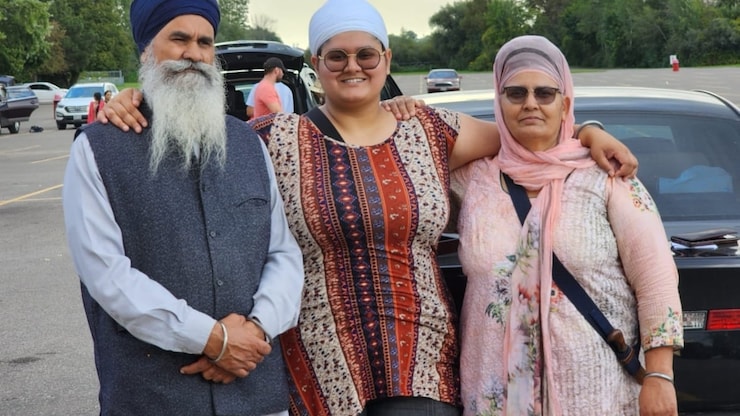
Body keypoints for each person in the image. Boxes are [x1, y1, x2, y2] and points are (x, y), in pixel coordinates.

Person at [99, 1, 638, 414]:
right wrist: (134, 98)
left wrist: (589, 130)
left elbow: (529, 133)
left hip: (422, 356)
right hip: (313, 359)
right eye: (336, 55)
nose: (352, 66)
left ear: (386, 60)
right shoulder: (270, 138)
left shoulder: (431, 130)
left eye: (366, 54)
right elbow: (186, 132)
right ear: (316, 64)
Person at [62, 1, 304, 415]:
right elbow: (106, 273)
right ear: (146, 50)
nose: (193, 53)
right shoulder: (98, 149)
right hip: (151, 398)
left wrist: (256, 329)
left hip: (256, 395)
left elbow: (282, 254)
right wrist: (212, 339)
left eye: (205, 42)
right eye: (179, 39)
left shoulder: (247, 144)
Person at [452, 35, 683, 415]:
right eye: (515, 93)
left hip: (595, 392)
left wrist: (660, 375)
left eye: (545, 93)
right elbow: (406, 154)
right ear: (499, 100)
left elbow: (655, 277)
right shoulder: (472, 180)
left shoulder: (607, 176)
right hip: (496, 397)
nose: (530, 103)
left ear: (565, 103)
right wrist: (400, 106)